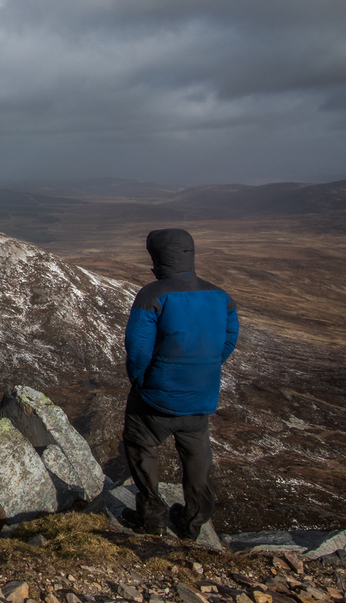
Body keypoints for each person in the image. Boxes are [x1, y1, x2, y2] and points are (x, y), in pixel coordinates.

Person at [122, 229, 239, 539]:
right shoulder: (220, 296)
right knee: (197, 457)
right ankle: (193, 521)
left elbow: (137, 349)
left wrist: (140, 378)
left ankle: (153, 517)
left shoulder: (153, 295)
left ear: (157, 260)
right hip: (201, 396)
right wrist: (203, 369)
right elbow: (227, 341)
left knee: (141, 447)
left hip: (155, 398)